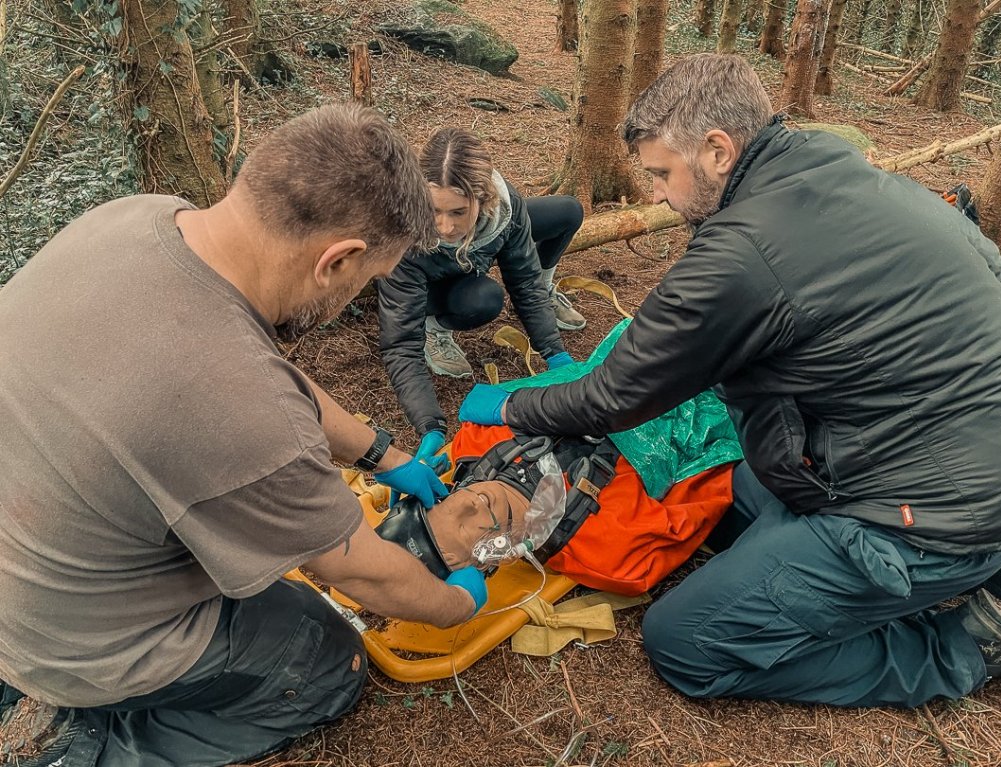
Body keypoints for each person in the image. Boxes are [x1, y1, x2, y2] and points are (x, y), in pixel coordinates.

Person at [458, 54, 1001, 708]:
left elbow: (612, 395)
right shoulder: (837, 171)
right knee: (728, 490)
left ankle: (967, 645)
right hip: (967, 471)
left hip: (923, 520)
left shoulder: (741, 251)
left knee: (687, 641)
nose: (657, 196)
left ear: (719, 151)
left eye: (662, 174)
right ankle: (941, 569)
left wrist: (508, 402)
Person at [0, 104, 487, 767]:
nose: (357, 296)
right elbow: (355, 568)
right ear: (337, 260)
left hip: (28, 561)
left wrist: (380, 452)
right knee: (325, 657)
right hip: (69, 640)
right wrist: (457, 603)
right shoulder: (241, 409)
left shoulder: (140, 219)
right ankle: (90, 747)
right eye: (367, 281)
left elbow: (262, 370)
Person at [377, 127, 585, 474]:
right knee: (484, 298)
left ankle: (551, 305)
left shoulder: (506, 209)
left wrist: (554, 353)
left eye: (458, 212)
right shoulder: (403, 228)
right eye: (435, 210)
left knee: (567, 211)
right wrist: (430, 426)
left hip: (471, 258)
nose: (444, 226)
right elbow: (400, 344)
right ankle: (436, 328)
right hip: (426, 283)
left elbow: (524, 281)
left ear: (483, 199)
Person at [376, 421, 736, 597]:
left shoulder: (477, 441)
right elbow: (706, 486)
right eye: (461, 529)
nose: (469, 503)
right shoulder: (611, 552)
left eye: (445, 507)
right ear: (488, 560)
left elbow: (575, 378)